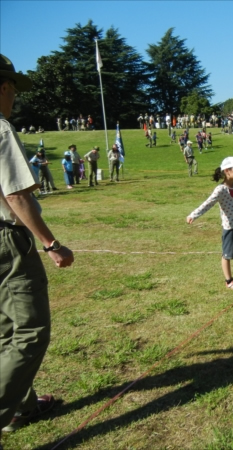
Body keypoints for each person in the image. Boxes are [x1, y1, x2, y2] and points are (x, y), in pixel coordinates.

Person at [0, 53, 75, 434]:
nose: (14, 97)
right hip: (6, 242)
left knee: (5, 331)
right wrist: (51, 243)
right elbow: (17, 197)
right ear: (2, 87)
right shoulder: (0, 128)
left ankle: (20, 408)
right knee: (30, 332)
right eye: (12, 88)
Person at [186, 157, 233, 290]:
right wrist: (193, 215)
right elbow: (208, 203)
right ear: (227, 171)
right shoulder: (220, 190)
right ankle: (229, 281)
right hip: (230, 228)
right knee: (227, 255)